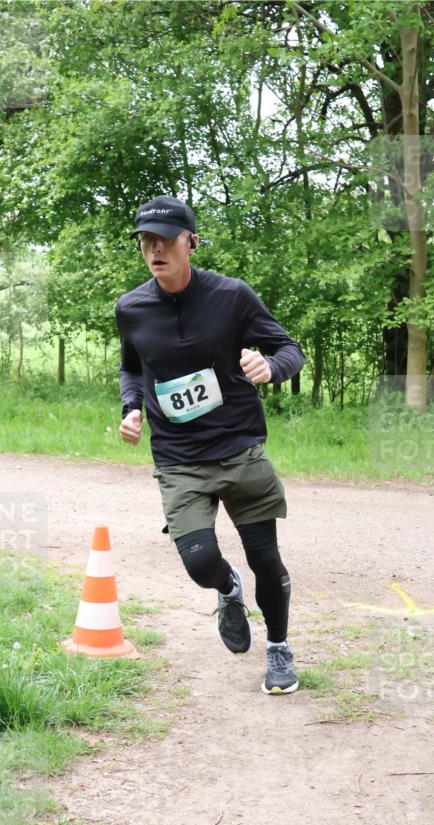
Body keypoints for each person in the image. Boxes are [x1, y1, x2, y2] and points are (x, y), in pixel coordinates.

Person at [116, 195, 305, 694]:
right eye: (145, 241)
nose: (154, 249)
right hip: (179, 459)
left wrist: (272, 367)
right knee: (200, 563)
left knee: (266, 557)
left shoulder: (232, 296)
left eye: (164, 239)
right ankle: (227, 589)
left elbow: (290, 349)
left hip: (239, 447)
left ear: (191, 243)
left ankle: (280, 650)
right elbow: (132, 368)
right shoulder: (131, 308)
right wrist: (130, 408)